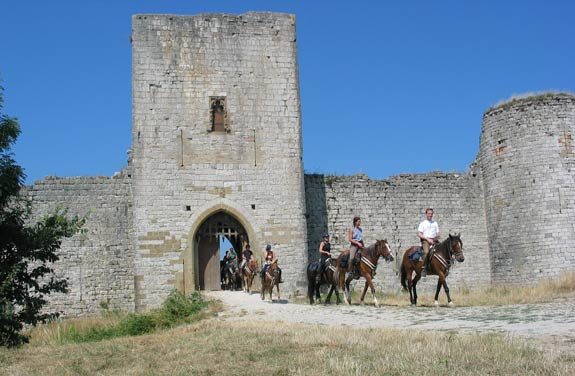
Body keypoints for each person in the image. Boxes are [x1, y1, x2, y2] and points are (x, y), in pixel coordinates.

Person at [417, 208, 440, 277]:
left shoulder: (435, 223)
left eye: (431, 214)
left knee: (442, 249)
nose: (430, 215)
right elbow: (419, 234)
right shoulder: (423, 223)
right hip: (425, 241)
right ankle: (424, 268)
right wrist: (427, 239)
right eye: (429, 213)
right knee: (427, 252)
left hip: (434, 240)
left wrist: (435, 238)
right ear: (426, 214)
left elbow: (438, 233)